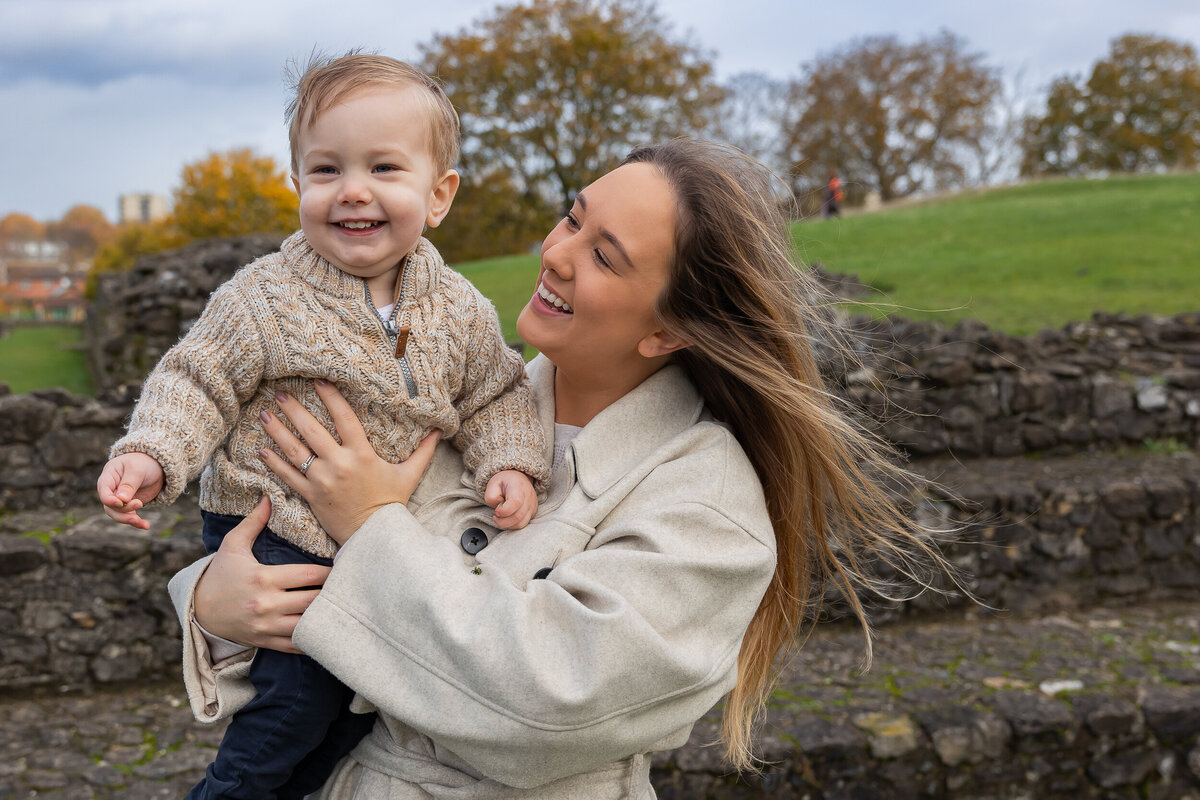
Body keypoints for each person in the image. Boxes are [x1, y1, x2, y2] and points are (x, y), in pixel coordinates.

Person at [170, 139, 953, 798]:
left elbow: (543, 705)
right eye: (572, 218)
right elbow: (288, 547)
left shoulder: (707, 508)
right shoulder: (448, 405)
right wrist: (213, 602)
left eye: (604, 257)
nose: (556, 252)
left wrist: (372, 529)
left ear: (670, 330)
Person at [97, 53, 549, 800]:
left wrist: (509, 464)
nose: (355, 192)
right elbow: (196, 379)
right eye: (327, 170)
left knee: (354, 716)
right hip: (274, 526)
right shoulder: (265, 298)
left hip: (374, 542)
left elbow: (496, 392)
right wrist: (151, 452)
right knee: (294, 706)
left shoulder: (459, 308)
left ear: (438, 195)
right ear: (298, 184)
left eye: (384, 169)